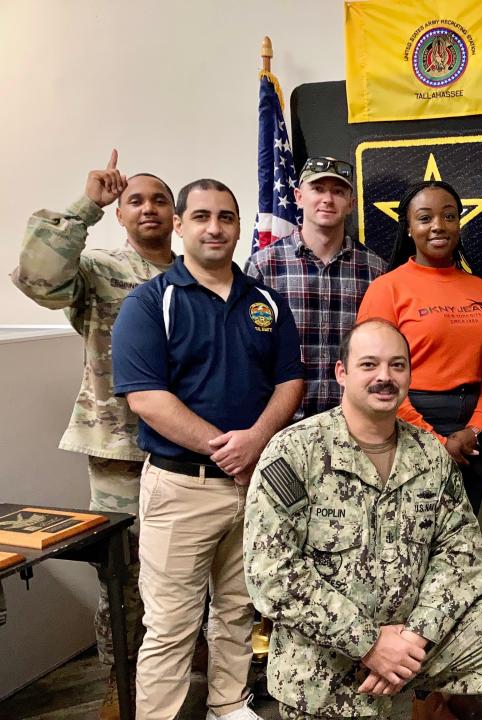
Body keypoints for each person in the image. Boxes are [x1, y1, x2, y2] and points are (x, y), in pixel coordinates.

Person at [243, 318, 482, 719]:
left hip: (419, 641)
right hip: (328, 661)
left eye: (397, 365)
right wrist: (369, 643)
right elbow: (271, 574)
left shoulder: (430, 454)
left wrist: (416, 636)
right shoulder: (294, 452)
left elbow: (460, 555)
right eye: (369, 365)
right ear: (341, 373)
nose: (385, 377)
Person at [112, 178, 305, 720]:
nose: (214, 227)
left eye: (226, 216)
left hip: (254, 486)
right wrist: (224, 448)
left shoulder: (264, 299)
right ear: (179, 225)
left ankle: (228, 703)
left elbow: (290, 380)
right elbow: (146, 398)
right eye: (200, 217)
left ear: (240, 226)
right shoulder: (152, 303)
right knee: (171, 624)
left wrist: (255, 440)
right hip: (181, 489)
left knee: (238, 610)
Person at [10, 150, 175, 719]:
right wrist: (87, 207)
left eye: (160, 200)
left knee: (190, 565)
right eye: (137, 200)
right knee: (122, 576)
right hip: (121, 449)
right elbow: (38, 278)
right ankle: (118, 679)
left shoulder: (197, 274)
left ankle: (182, 660)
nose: (149, 208)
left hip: (189, 450)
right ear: (122, 214)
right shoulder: (99, 271)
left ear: (177, 216)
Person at [356, 180, 482, 514]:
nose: (438, 225)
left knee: (462, 543)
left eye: (449, 216)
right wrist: (434, 440)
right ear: (408, 228)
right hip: (407, 424)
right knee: (405, 542)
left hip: (472, 436)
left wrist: (476, 428)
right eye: (425, 218)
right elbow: (376, 375)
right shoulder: (386, 290)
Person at [246, 156, 386, 421]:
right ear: (298, 196)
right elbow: (247, 353)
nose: (327, 199)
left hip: (353, 426)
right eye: (318, 189)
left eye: (338, 191)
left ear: (350, 204)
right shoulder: (264, 267)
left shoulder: (376, 271)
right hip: (280, 427)